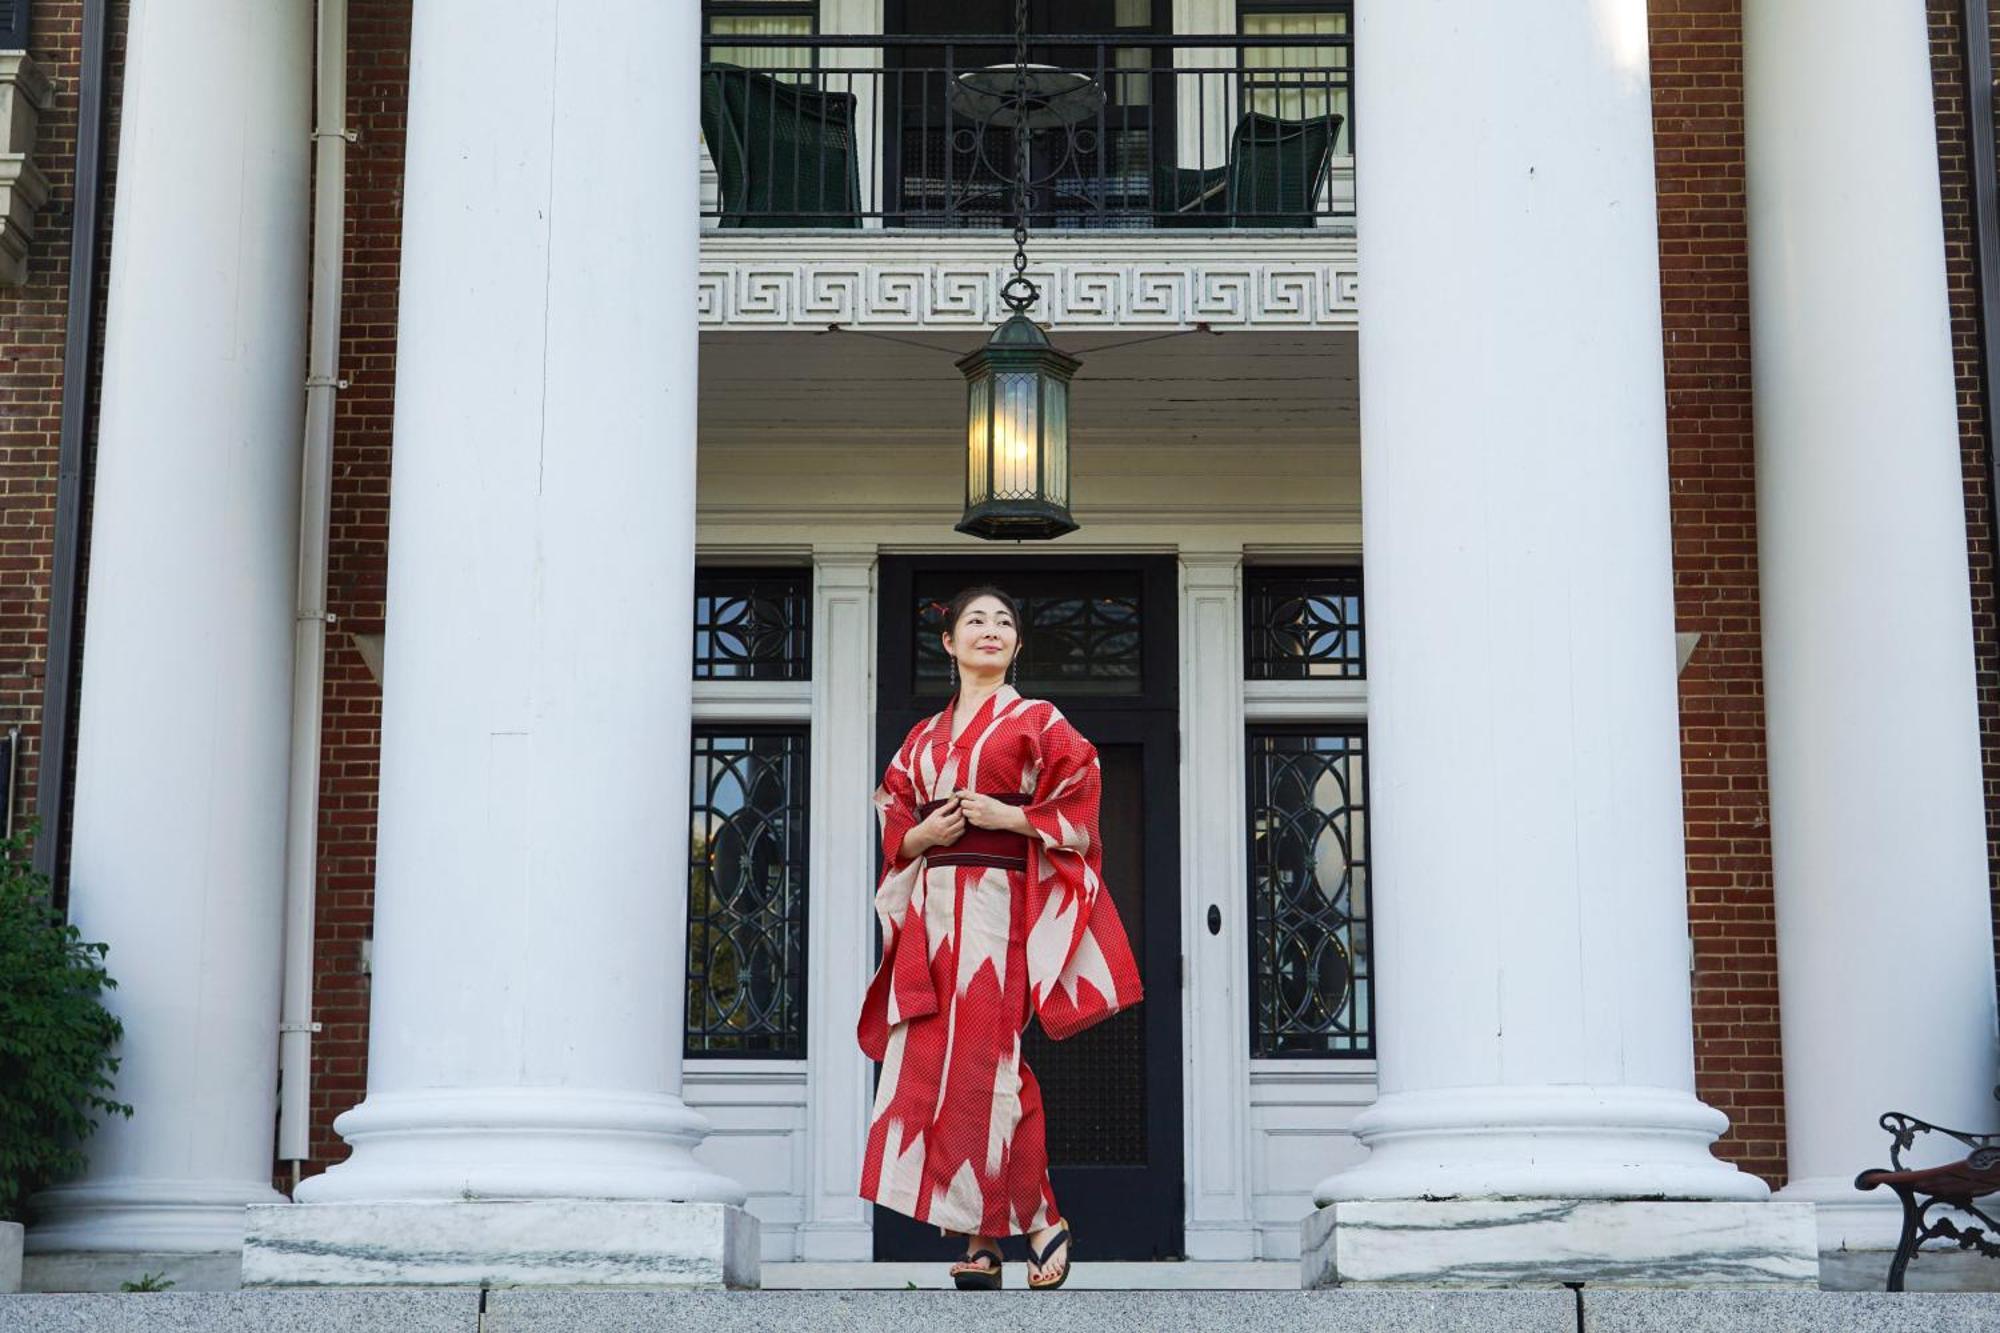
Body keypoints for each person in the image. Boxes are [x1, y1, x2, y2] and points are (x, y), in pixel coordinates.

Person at [857, 585, 1143, 1291]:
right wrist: (924, 833)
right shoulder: (921, 739)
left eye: (1004, 622)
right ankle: (982, 1239)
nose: (990, 630)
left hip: (1000, 903)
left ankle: (1041, 1219)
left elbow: (1081, 799)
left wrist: (1009, 819)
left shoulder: (1040, 721)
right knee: (944, 1064)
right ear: (949, 643)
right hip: (935, 911)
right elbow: (895, 810)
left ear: (1016, 645)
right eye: (974, 621)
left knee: (993, 1062)